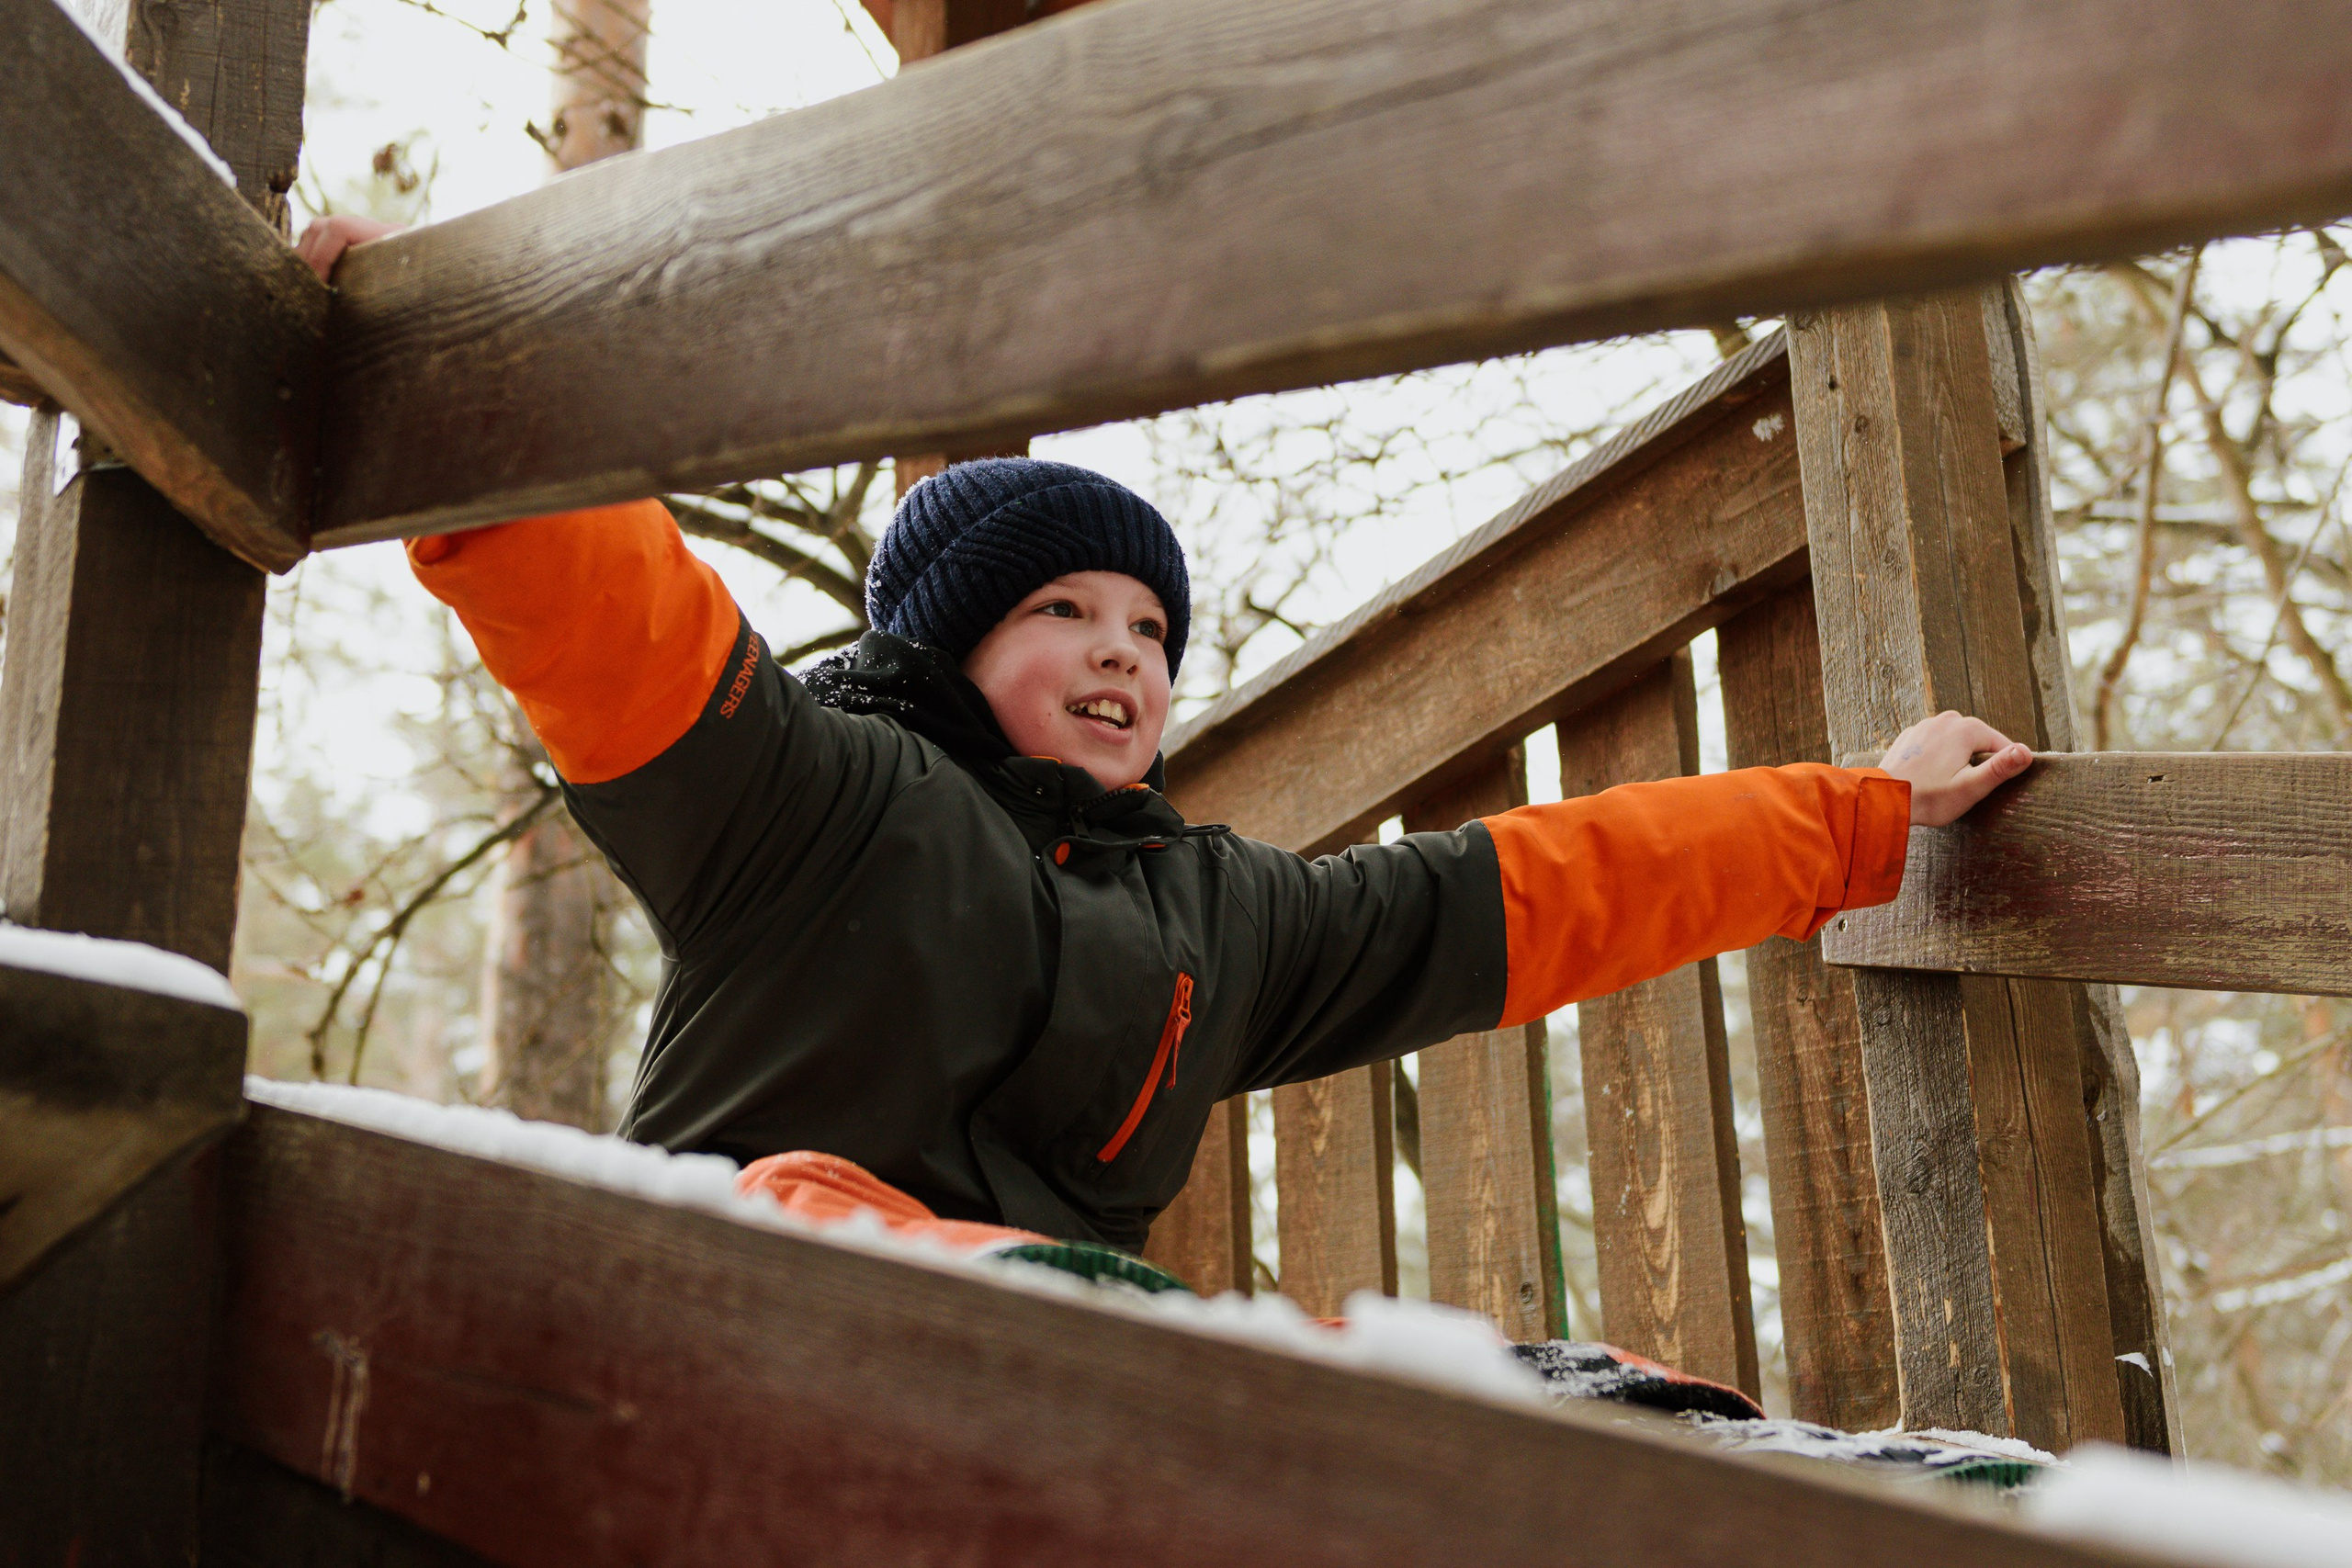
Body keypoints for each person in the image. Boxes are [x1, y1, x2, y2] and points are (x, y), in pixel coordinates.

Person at [297, 218, 2033, 1286]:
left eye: (1150, 631)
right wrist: (441, 373)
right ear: (953, 645)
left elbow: (1556, 885)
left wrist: (1865, 815)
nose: (1123, 653)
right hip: (735, 1318)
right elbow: (619, 614)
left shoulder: (1223, 923)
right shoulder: (814, 798)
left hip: (1041, 1392)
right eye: (1065, 611)